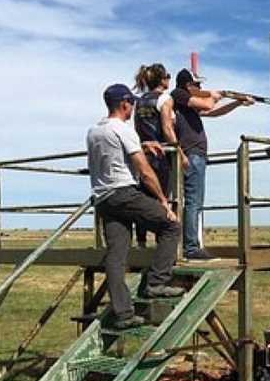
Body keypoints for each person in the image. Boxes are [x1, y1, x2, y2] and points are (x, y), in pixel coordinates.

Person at [87, 83, 184, 329]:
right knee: (170, 226)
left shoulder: (94, 131)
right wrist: (163, 201)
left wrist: (143, 144)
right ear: (124, 104)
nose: (132, 108)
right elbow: (144, 170)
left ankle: (123, 314)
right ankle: (157, 282)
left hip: (104, 199)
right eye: (131, 103)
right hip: (124, 193)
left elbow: (113, 153)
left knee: (117, 255)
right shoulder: (123, 129)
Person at [172, 68, 253, 259]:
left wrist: (236, 102)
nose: (201, 87)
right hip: (191, 155)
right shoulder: (179, 95)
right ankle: (190, 247)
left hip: (194, 155)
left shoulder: (186, 103)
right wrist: (216, 95)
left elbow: (213, 112)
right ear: (188, 85)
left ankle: (189, 245)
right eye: (197, 84)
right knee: (193, 201)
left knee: (193, 201)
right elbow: (209, 106)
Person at [132, 63, 188, 247]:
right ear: (163, 80)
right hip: (161, 155)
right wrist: (180, 153)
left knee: (143, 199)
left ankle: (140, 244)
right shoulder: (165, 99)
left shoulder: (139, 101)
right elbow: (166, 128)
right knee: (164, 198)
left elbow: (137, 128)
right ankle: (162, 244)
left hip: (142, 154)